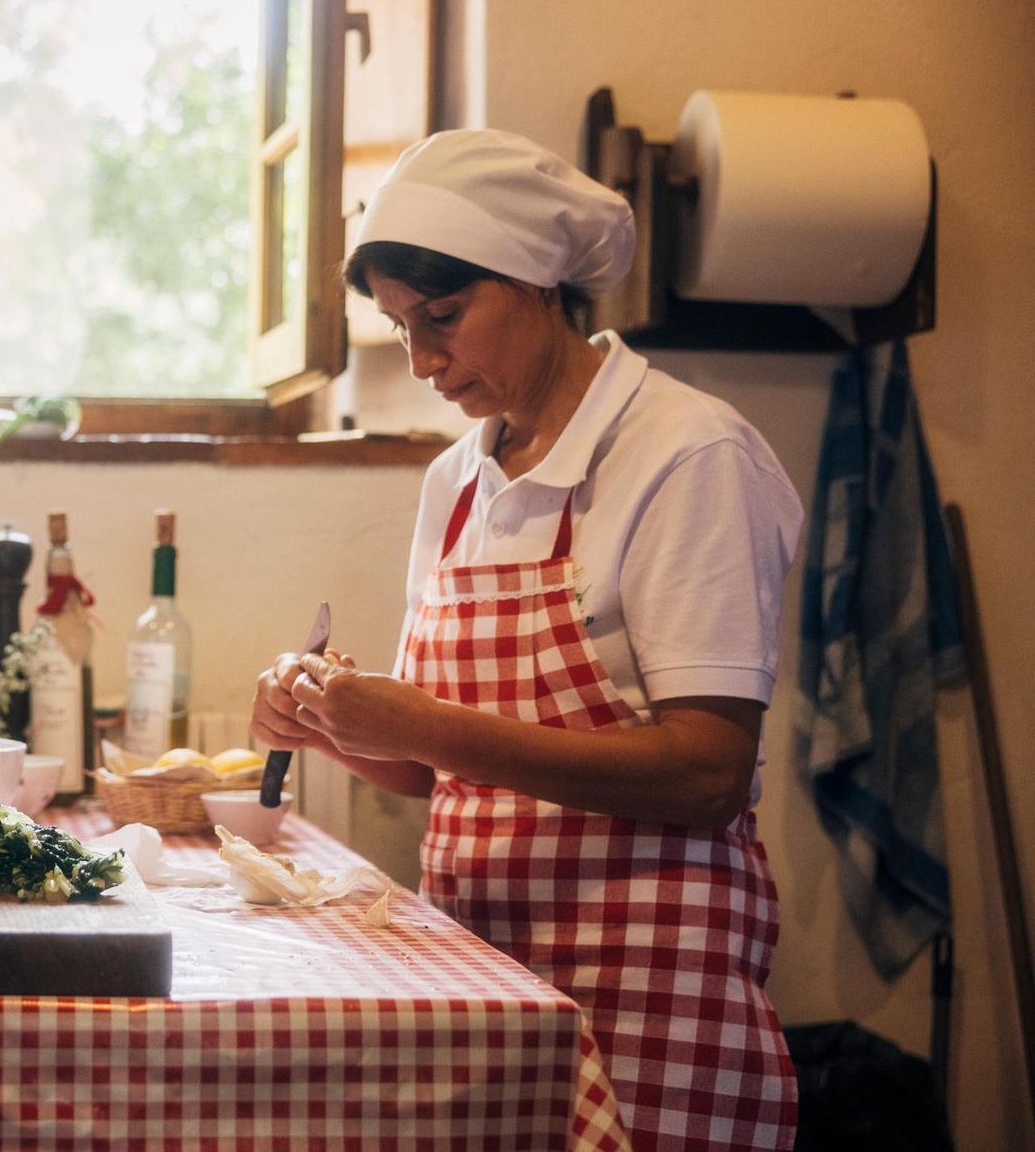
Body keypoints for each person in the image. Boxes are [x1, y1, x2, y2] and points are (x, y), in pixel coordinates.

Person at [251, 130, 800, 1150]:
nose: (421, 363)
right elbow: (438, 774)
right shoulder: (456, 480)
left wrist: (423, 724)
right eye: (398, 327)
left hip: (647, 991)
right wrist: (332, 722)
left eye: (443, 319)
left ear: (537, 281)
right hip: (476, 976)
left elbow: (705, 774)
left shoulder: (686, 455)